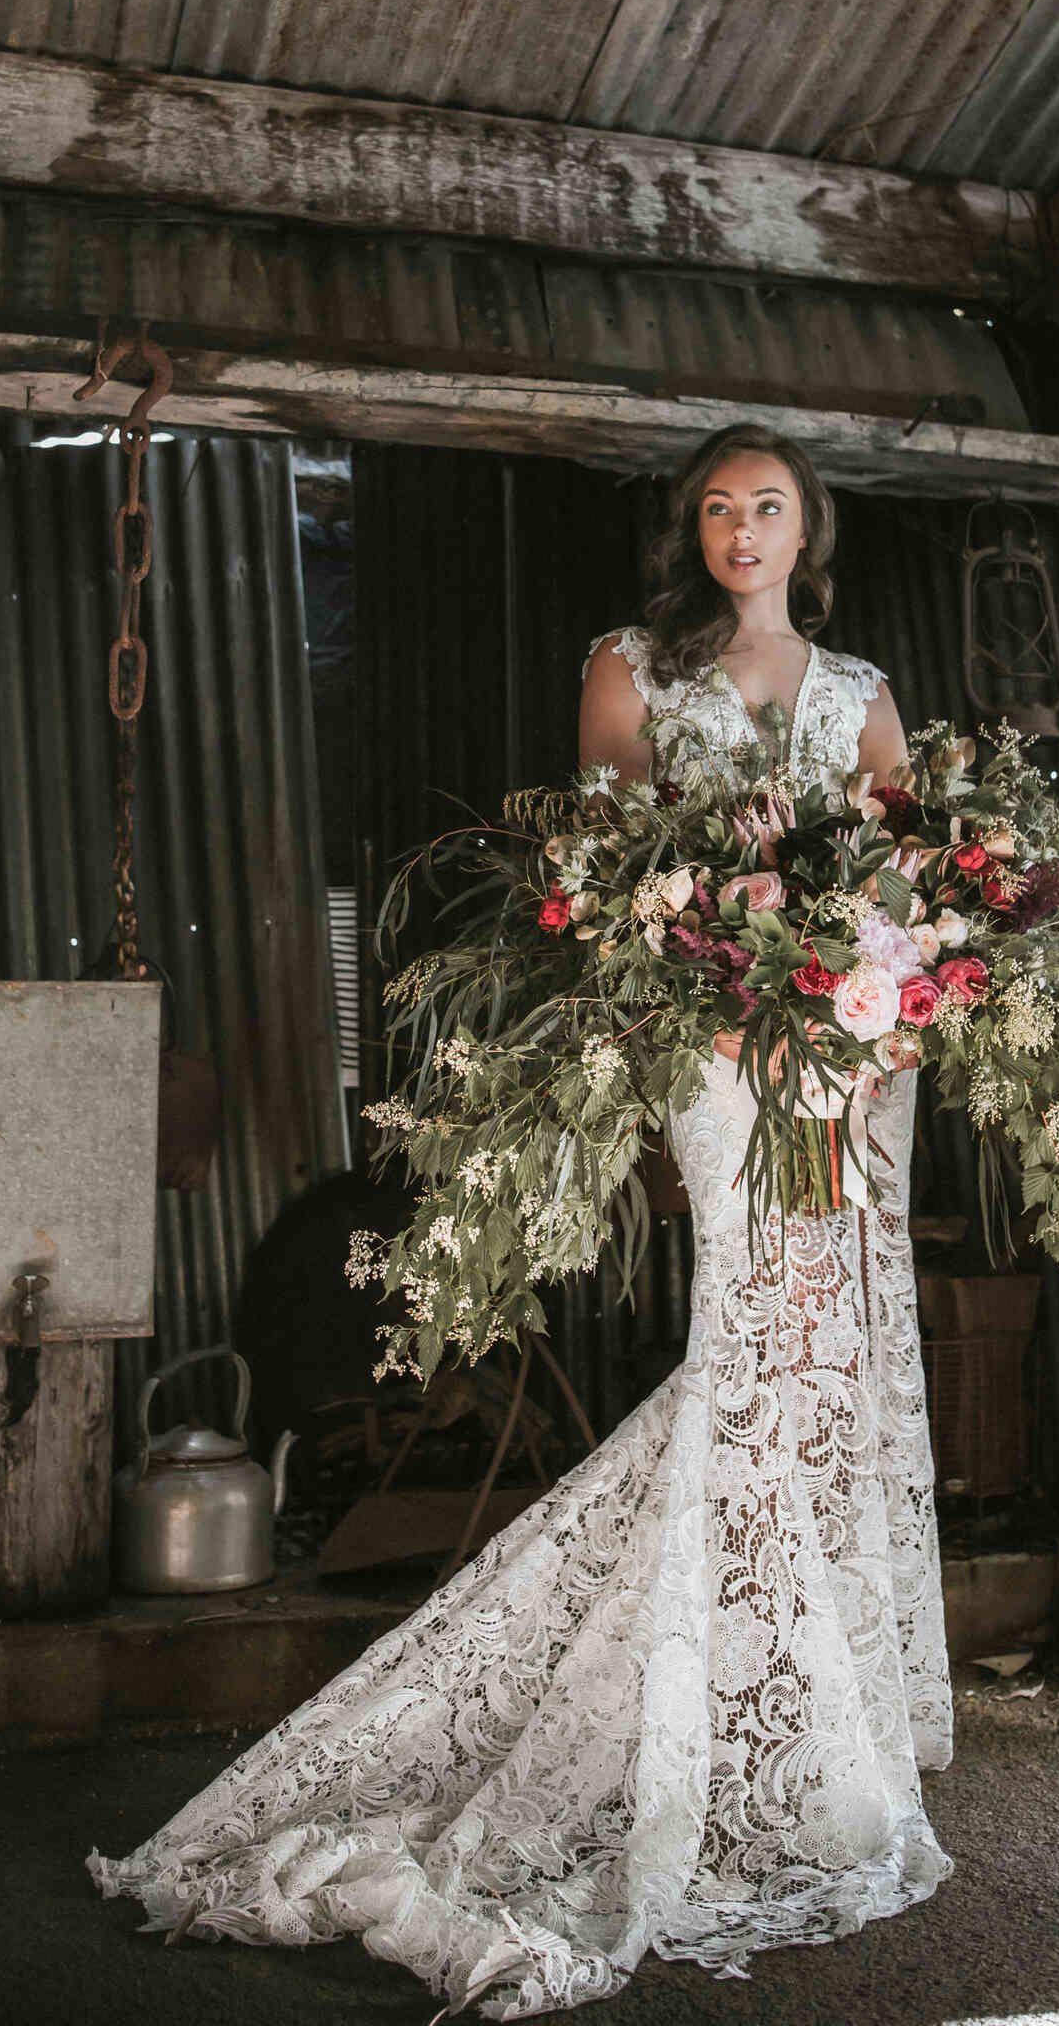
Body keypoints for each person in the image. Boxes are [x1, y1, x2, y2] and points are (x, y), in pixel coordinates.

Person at [87, 425, 954, 2017]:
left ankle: (796, 1703)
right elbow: (609, 849)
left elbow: (913, 859)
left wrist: (887, 975)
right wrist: (730, 922)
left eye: (769, 507)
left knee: (830, 1346)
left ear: (808, 527)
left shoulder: (858, 688)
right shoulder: (630, 664)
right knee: (752, 1329)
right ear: (692, 531)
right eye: (717, 508)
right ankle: (718, 1701)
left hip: (848, 1045)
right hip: (708, 1033)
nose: (743, 530)